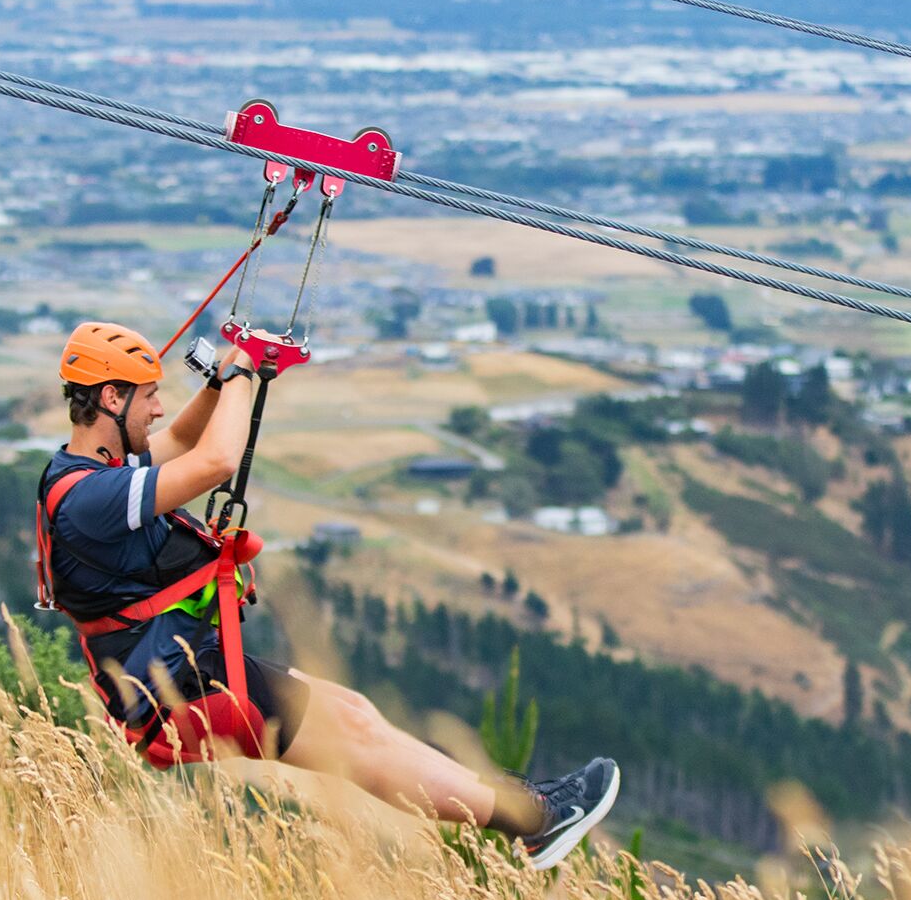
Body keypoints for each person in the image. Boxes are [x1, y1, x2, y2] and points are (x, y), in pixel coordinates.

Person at [37, 320, 619, 868]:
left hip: (182, 670)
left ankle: (515, 803)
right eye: (147, 396)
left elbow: (187, 438)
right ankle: (533, 820)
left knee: (355, 713)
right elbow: (213, 461)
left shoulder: (95, 472)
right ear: (111, 399)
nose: (158, 407)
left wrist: (231, 372)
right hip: (174, 691)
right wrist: (243, 374)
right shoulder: (93, 499)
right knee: (357, 741)